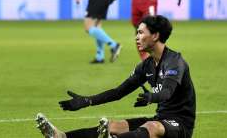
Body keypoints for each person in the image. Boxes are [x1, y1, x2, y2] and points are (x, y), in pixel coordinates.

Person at [36, 15, 196, 138]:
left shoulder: (174, 61)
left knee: (152, 127)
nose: (136, 37)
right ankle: (62, 136)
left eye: (140, 32)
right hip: (160, 118)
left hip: (180, 125)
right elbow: (118, 92)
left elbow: (167, 92)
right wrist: (87, 101)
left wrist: (151, 97)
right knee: (113, 126)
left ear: (155, 36)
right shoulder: (146, 66)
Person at [75, 0, 121, 64]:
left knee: (88, 27)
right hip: (104, 0)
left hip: (98, 0)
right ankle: (100, 57)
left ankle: (114, 45)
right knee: (97, 26)